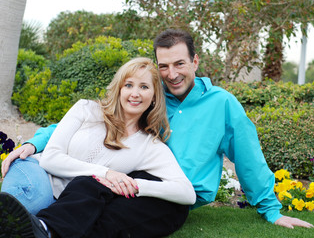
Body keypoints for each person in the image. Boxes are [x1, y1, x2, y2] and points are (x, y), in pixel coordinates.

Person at [2, 29, 313, 233]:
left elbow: (248, 157)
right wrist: (34, 142)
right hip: (122, 176)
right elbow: (95, 119)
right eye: (164, 66)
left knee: (105, 209)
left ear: (195, 61)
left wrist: (272, 211)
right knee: (89, 189)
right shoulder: (151, 97)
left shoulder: (221, 105)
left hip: (170, 191)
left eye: (179, 64)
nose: (172, 73)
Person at [0, 57, 196, 237]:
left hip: (69, 204)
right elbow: (51, 159)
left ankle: (44, 229)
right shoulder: (86, 109)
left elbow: (187, 193)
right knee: (20, 209)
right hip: (38, 172)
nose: (135, 93)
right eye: (129, 85)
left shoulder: (150, 146)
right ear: (119, 89)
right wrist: (107, 173)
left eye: (144, 87)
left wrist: (135, 186)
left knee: (27, 226)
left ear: (154, 96)